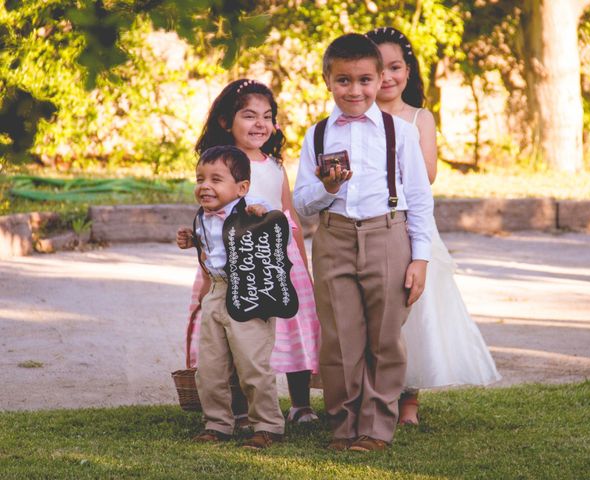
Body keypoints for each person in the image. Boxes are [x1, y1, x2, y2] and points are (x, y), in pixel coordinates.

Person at [293, 33, 434, 452]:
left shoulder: (399, 132)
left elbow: (420, 200)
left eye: (364, 80)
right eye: (343, 81)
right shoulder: (317, 136)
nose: (355, 90)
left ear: (378, 81)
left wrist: (420, 258)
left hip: (388, 235)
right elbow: (302, 204)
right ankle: (343, 424)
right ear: (327, 81)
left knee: (385, 337)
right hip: (333, 238)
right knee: (339, 339)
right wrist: (327, 188)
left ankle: (375, 428)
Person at [365, 26, 501, 425]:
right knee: (373, 310)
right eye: (379, 68)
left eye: (395, 67)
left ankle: (409, 398)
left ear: (408, 71)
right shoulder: (357, 119)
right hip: (369, 224)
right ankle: (370, 393)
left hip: (410, 224)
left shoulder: (419, 118)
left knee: (415, 311)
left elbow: (426, 173)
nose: (387, 77)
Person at [183, 79, 320, 427]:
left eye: (267, 116)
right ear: (227, 121)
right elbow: (209, 216)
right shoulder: (220, 165)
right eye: (249, 115)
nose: (260, 124)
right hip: (236, 262)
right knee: (238, 334)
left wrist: (302, 265)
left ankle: (300, 404)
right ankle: (240, 408)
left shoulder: (274, 166)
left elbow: (291, 219)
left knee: (293, 326)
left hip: (278, 259)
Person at [176, 145, 285, 449]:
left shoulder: (249, 207)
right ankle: (218, 423)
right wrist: (191, 239)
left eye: (215, 179)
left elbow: (267, 214)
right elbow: (210, 249)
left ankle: (267, 424)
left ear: (241, 188)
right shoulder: (203, 217)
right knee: (210, 366)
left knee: (252, 363)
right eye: (200, 179)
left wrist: (258, 212)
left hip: (247, 293)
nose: (205, 186)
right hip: (216, 292)